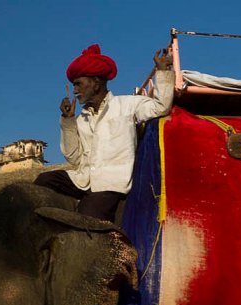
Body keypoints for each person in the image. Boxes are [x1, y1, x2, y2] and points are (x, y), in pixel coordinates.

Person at [34, 44, 175, 223]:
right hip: (83, 180)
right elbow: (74, 158)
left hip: (111, 184)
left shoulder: (127, 105)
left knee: (87, 216)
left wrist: (162, 71)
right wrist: (67, 120)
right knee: (44, 180)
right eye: (73, 85)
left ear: (96, 83)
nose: (75, 90)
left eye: (78, 83)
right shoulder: (81, 119)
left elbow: (160, 107)